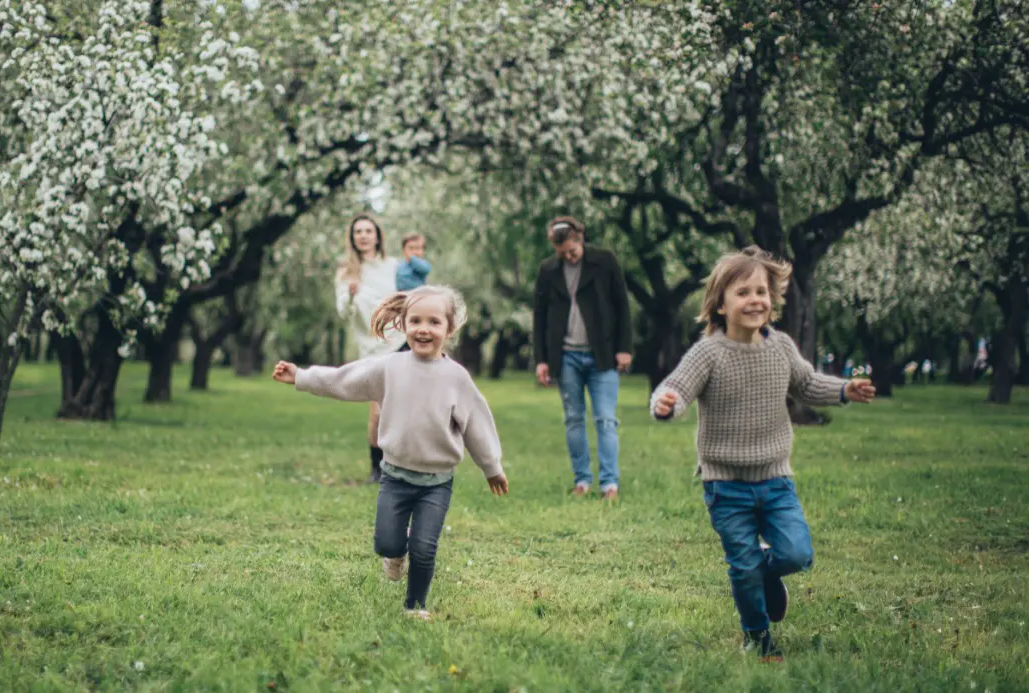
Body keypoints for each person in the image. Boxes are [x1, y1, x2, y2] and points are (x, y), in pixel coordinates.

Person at [649, 246, 876, 661]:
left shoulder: (781, 348)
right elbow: (678, 387)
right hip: (725, 485)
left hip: (775, 480)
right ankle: (758, 637)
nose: (755, 300)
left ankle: (769, 577)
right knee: (742, 565)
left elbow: (806, 385)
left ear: (772, 300)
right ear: (721, 304)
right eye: (743, 292)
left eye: (762, 291)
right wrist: (666, 403)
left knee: (796, 553)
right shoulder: (709, 353)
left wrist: (843, 389)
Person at [273, 285, 509, 619]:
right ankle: (395, 553)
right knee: (386, 543)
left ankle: (415, 606)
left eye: (433, 322)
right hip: (395, 478)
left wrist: (492, 467)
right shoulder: (389, 368)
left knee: (425, 549)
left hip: (436, 483)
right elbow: (344, 380)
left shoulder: (456, 378)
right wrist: (301, 376)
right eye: (415, 321)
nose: (423, 329)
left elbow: (478, 426)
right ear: (403, 325)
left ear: (449, 329)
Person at [532, 216, 633, 500]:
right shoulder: (549, 269)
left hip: (602, 353)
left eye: (572, 249)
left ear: (580, 237)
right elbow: (539, 315)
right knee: (574, 418)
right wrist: (541, 359)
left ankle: (609, 484)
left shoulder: (604, 261)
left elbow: (622, 304)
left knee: (605, 419)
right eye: (562, 252)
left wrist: (624, 348)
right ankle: (582, 481)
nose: (569, 255)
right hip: (566, 356)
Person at [335, 213, 401, 482]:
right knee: (378, 411)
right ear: (352, 238)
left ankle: (404, 466)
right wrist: (350, 296)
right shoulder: (346, 273)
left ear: (377, 236)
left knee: (403, 408)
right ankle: (378, 469)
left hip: (402, 341)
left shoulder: (393, 265)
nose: (363, 235)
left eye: (368, 231)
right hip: (373, 348)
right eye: (358, 232)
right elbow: (342, 312)